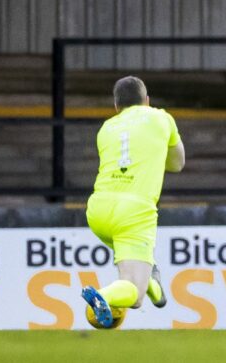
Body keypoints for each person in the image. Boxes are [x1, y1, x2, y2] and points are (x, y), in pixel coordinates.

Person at [81, 76, 185, 328]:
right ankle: (102, 297)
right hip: (134, 212)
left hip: (98, 210)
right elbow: (177, 164)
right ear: (147, 101)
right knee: (134, 296)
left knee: (136, 272)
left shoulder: (106, 127)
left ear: (116, 106)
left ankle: (152, 280)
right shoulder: (161, 117)